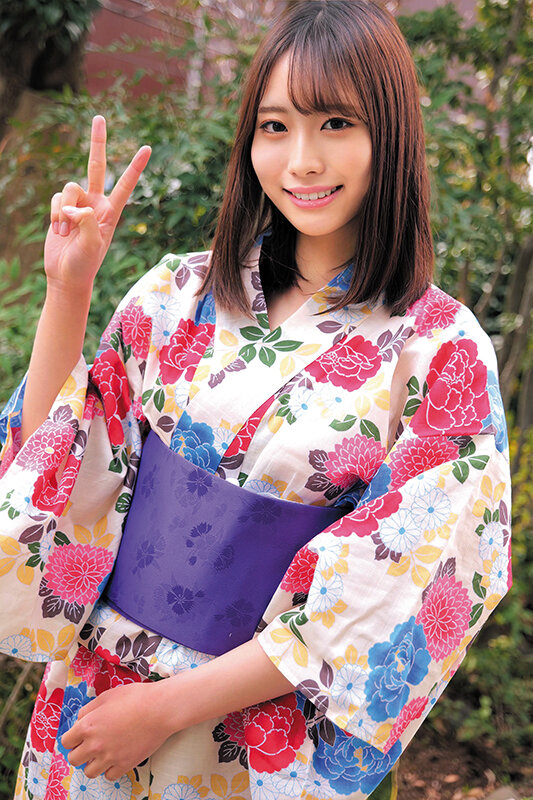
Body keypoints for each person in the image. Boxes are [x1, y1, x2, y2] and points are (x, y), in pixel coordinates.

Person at [0, 1, 511, 798]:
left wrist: (167, 706)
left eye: (335, 122)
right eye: (275, 126)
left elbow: (402, 585)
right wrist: (68, 290)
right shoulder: (179, 292)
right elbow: (55, 462)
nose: (301, 159)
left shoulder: (440, 349)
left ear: (390, 134)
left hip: (255, 729)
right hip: (99, 693)